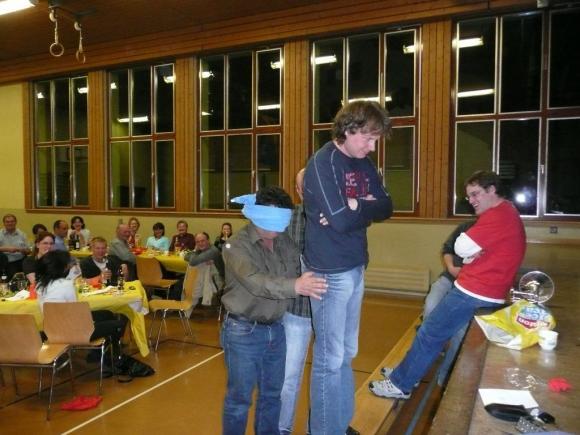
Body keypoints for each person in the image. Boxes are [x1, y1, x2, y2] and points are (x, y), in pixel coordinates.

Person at [369, 170, 526, 399]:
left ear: (492, 190)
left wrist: (469, 252)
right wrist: (472, 254)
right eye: (469, 196)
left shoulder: (497, 215)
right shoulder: (507, 211)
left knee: (430, 333)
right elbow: (470, 251)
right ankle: (407, 374)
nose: (471, 200)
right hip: (483, 289)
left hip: (475, 291)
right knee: (433, 332)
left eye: (476, 194)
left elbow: (460, 247)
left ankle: (401, 384)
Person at [303, 101, 393, 435]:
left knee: (346, 354)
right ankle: (323, 430)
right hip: (329, 272)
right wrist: (361, 208)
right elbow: (340, 221)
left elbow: (387, 206)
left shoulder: (363, 163)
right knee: (329, 359)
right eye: (369, 138)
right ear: (349, 129)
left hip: (355, 265)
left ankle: (339, 425)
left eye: (376, 140)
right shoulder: (322, 163)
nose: (372, 147)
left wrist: (355, 205)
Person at [220, 186, 327, 435]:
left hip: (277, 331)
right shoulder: (236, 246)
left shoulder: (284, 243)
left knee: (272, 396)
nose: (278, 228)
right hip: (243, 331)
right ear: (257, 213)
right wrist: (295, 286)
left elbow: (301, 267)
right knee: (239, 400)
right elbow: (256, 281)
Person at [36, 250, 127, 358]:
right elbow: (76, 312)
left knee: (106, 314)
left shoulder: (40, 285)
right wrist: (90, 322)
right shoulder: (66, 285)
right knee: (119, 323)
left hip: (53, 329)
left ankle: (100, 353)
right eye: (69, 265)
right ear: (63, 267)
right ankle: (114, 358)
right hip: (74, 331)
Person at [417, 219, 475, 387]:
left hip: (470, 287)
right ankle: (428, 352)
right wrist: (451, 268)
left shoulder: (498, 232)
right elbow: (447, 249)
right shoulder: (466, 226)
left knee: (460, 332)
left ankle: (446, 374)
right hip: (450, 278)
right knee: (430, 306)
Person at [279, 168, 313, 435]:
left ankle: (322, 428)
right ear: (299, 191)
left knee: (330, 375)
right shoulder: (288, 220)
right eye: (305, 186)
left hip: (332, 311)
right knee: (289, 376)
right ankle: (282, 428)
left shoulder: (340, 218)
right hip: (297, 311)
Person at [182, 232, 224, 304]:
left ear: (208, 240)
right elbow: (186, 256)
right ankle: (192, 298)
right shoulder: (201, 250)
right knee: (197, 269)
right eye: (197, 242)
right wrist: (196, 252)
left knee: (196, 268)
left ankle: (192, 299)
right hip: (207, 279)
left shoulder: (213, 251)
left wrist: (195, 252)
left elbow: (193, 262)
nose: (200, 243)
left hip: (218, 281)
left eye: (202, 241)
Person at [0, 214, 31, 279]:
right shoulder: (0, 234)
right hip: (5, 262)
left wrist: (20, 249)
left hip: (20, 261)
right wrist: (6, 249)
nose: (10, 223)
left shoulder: (22, 234)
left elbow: (29, 250)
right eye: (7, 222)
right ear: (4, 223)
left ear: (15, 222)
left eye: (12, 221)